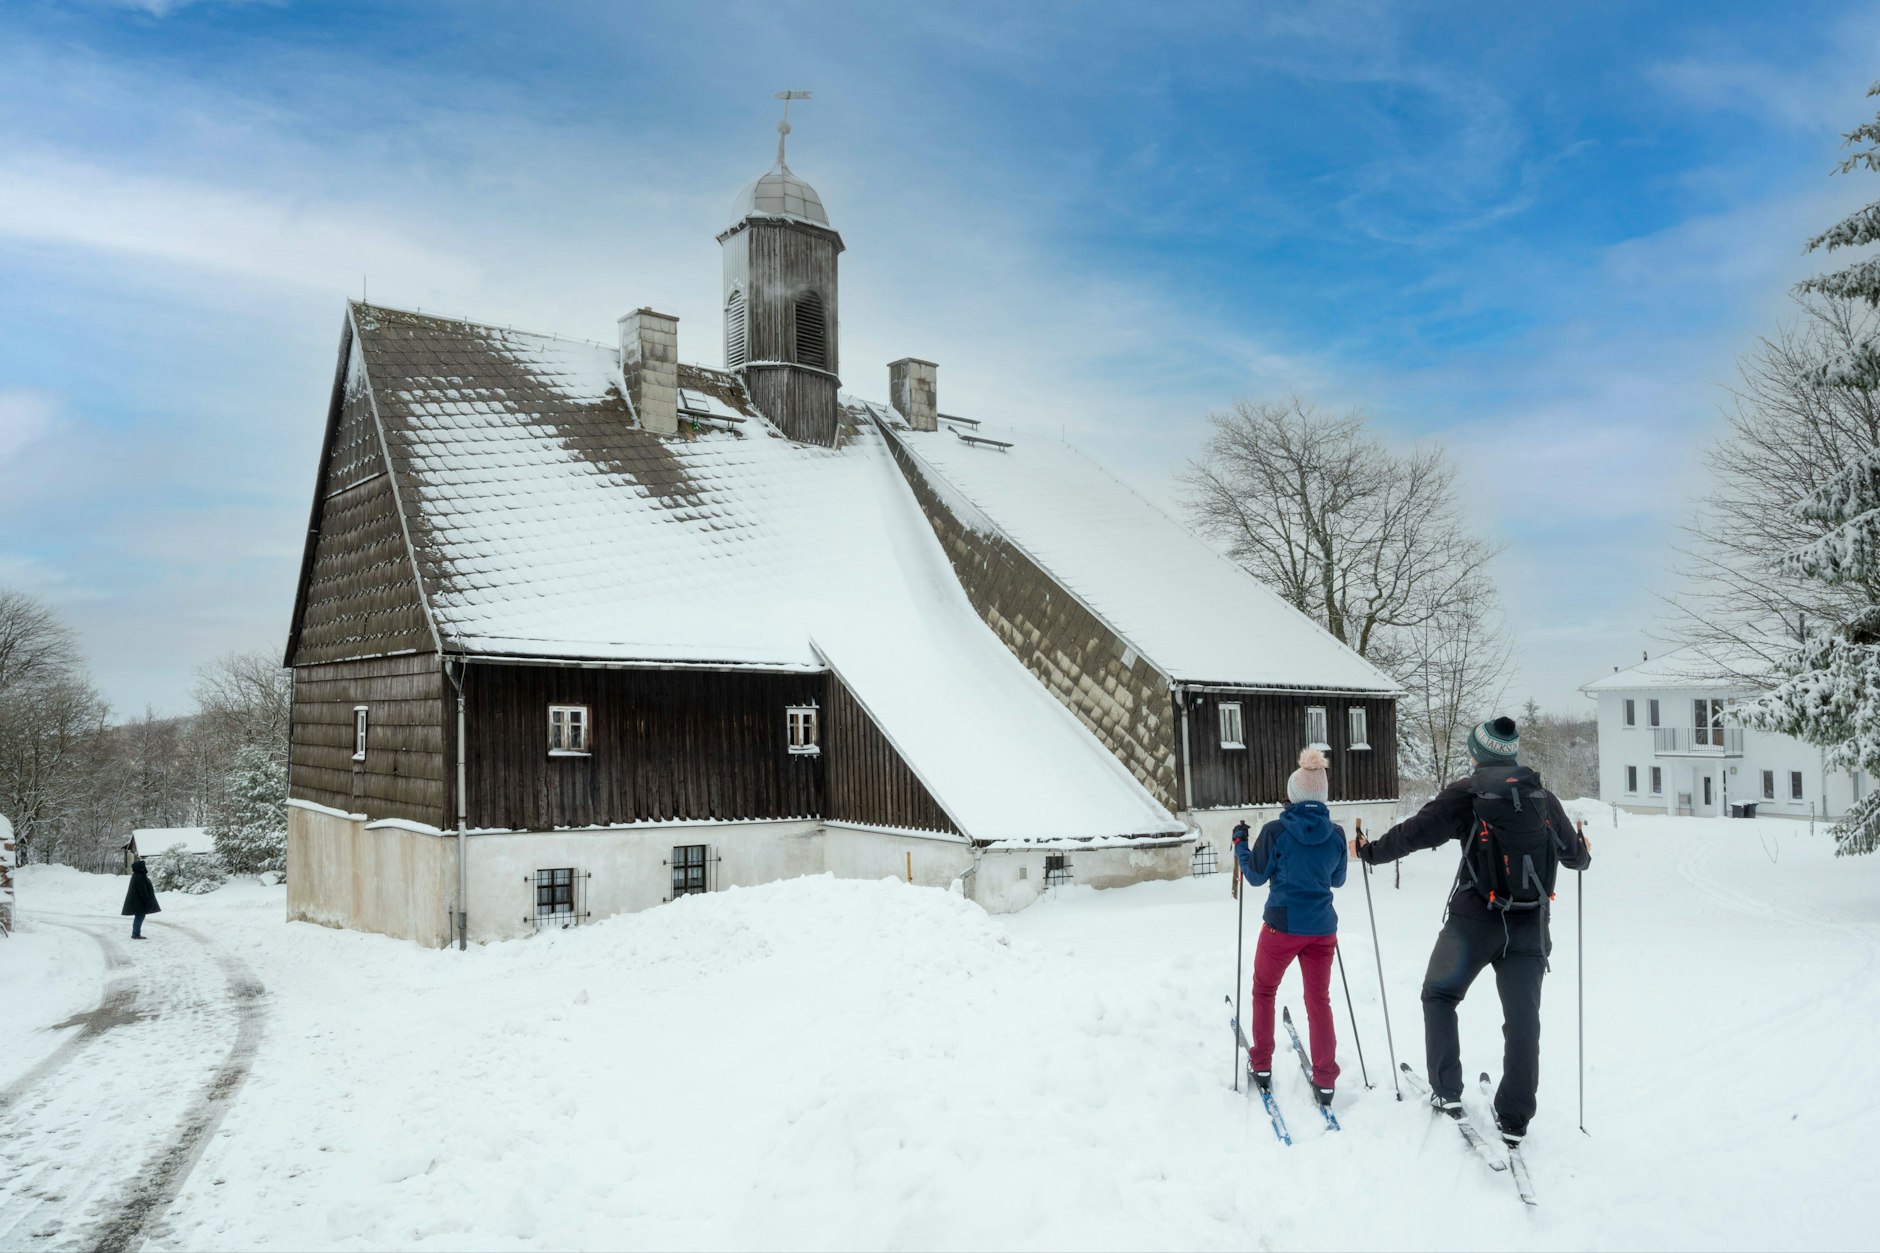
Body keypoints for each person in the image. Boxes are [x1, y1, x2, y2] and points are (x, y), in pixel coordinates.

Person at [1351, 715, 1591, 1146]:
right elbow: (1575, 858)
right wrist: (1582, 852)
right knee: (1522, 1022)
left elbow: (1415, 833)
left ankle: (1446, 1090)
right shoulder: (1542, 795)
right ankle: (1515, 1116)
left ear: (1477, 753)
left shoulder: (1467, 793)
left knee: (1439, 995)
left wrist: (1371, 852)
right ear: (1512, 753)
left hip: (1473, 922)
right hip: (1530, 926)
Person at [1233, 746, 1347, 1106]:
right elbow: (1339, 879)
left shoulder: (1276, 830)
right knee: (1319, 1000)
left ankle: (1262, 1064)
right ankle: (1326, 1079)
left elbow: (1254, 876)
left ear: (1293, 793)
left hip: (1281, 927)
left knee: (1264, 990)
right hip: (1322, 929)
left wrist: (1240, 845)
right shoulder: (1336, 834)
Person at [122, 856, 161, 939]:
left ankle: (135, 933)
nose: (145, 868)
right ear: (140, 868)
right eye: (143, 866)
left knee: (139, 916)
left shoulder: (137, 875)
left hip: (137, 901)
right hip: (138, 902)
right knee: (139, 916)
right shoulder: (139, 876)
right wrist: (146, 900)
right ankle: (135, 934)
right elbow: (142, 890)